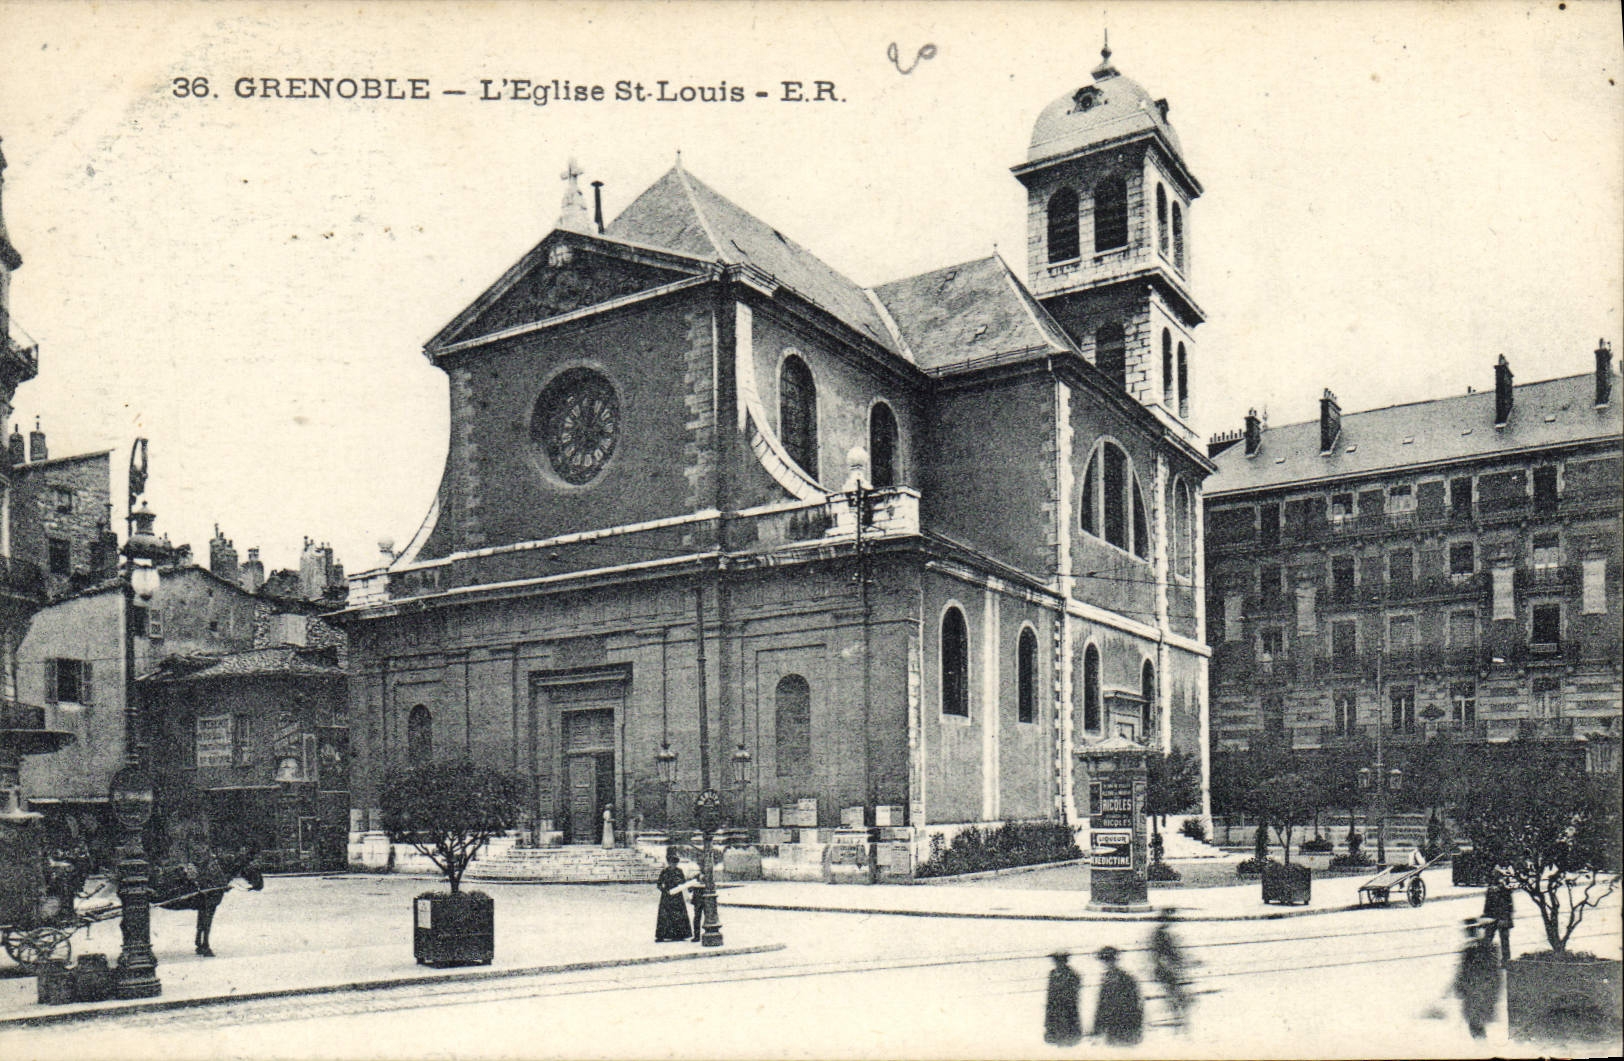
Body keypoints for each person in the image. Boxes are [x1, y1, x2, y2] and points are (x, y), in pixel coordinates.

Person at [1453, 917, 1500, 1040]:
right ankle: (1482, 1043)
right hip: (1481, 991)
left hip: (1475, 992)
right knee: (1477, 1024)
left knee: (1475, 1025)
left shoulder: (1470, 949)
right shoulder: (1488, 947)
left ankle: (1483, 1046)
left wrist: (1459, 987)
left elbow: (1464, 971)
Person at [1148, 909, 1192, 1032]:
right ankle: (1179, 1021)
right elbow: (1164, 954)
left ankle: (1179, 1019)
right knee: (1177, 996)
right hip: (1167, 970)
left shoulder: (1162, 934)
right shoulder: (1161, 935)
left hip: (1169, 969)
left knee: (1175, 996)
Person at [1092, 945, 1143, 1046]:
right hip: (1112, 1028)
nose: (1107, 963)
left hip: (1126, 1025)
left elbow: (1136, 1004)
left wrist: (1136, 1028)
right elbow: (1102, 1005)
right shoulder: (1106, 980)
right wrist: (1098, 1029)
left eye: (1109, 960)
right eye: (1104, 960)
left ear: (1115, 960)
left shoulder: (1127, 979)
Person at [1043, 950, 1083, 1047]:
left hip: (1068, 1013)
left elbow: (1074, 996)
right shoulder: (1053, 974)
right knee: (1058, 1041)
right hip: (1054, 1014)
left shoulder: (1072, 975)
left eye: (1061, 960)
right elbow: (1050, 997)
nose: (1058, 963)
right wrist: (1048, 1020)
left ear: (1065, 961)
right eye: (1056, 961)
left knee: (1068, 1040)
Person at [653, 848, 692, 942]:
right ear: (669, 862)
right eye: (671, 862)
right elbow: (659, 884)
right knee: (665, 916)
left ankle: (679, 935)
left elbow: (683, 882)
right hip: (667, 896)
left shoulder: (679, 871)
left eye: (675, 862)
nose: (673, 864)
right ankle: (663, 935)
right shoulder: (664, 871)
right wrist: (664, 890)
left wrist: (681, 884)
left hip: (677, 896)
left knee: (678, 915)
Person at [1482, 883, 1514, 965]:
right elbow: (1487, 905)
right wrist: (1485, 916)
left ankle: (1505, 959)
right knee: (1488, 939)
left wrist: (1507, 918)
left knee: (1503, 940)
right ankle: (1486, 958)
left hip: (1502, 918)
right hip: (1493, 918)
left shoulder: (1505, 890)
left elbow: (1510, 906)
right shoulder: (1491, 890)